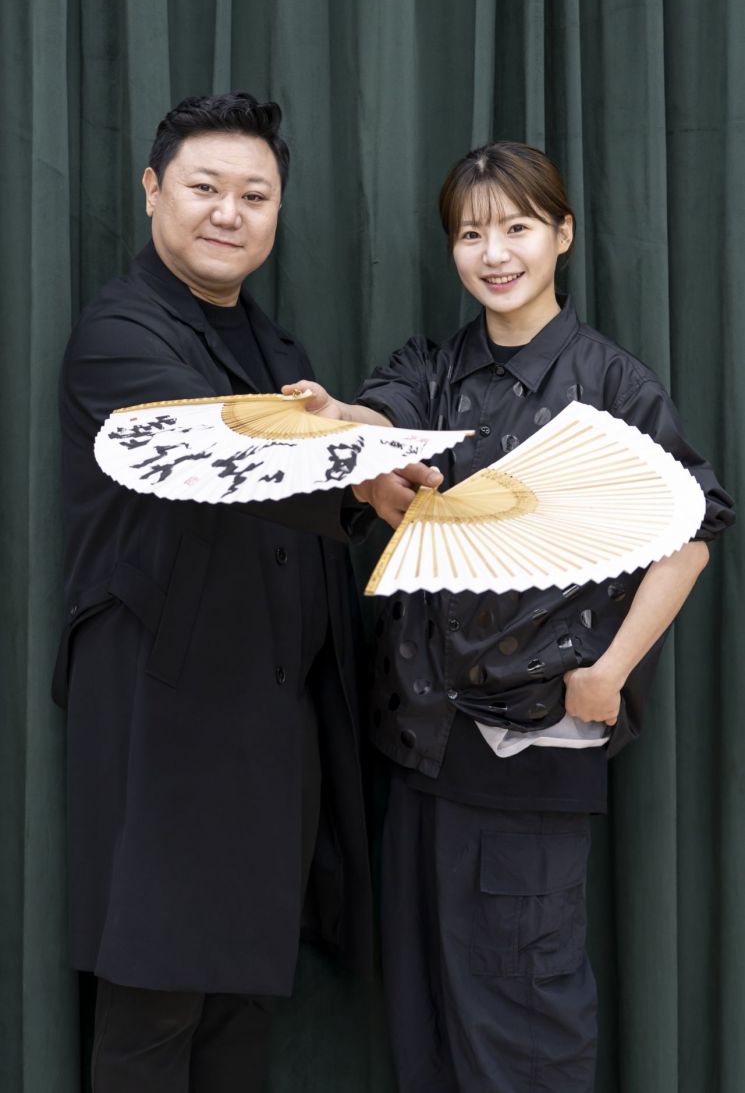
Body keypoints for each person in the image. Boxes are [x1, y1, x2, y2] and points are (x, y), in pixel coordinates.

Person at [288, 141, 735, 1092]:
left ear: (562, 235)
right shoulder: (431, 363)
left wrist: (610, 670)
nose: (495, 251)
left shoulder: (611, 384)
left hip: (534, 750)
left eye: (518, 227)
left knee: (522, 1031)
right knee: (427, 1031)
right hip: (415, 746)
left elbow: (692, 531)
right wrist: (339, 418)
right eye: (471, 232)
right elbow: (385, 420)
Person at [53, 91, 373, 1093]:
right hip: (163, 730)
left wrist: (378, 473)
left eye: (254, 194)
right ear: (153, 191)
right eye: (204, 188)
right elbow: (214, 445)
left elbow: (324, 477)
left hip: (270, 738)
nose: (228, 212)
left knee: (238, 1015)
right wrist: (363, 466)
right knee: (153, 1010)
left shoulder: (282, 354)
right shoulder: (117, 328)